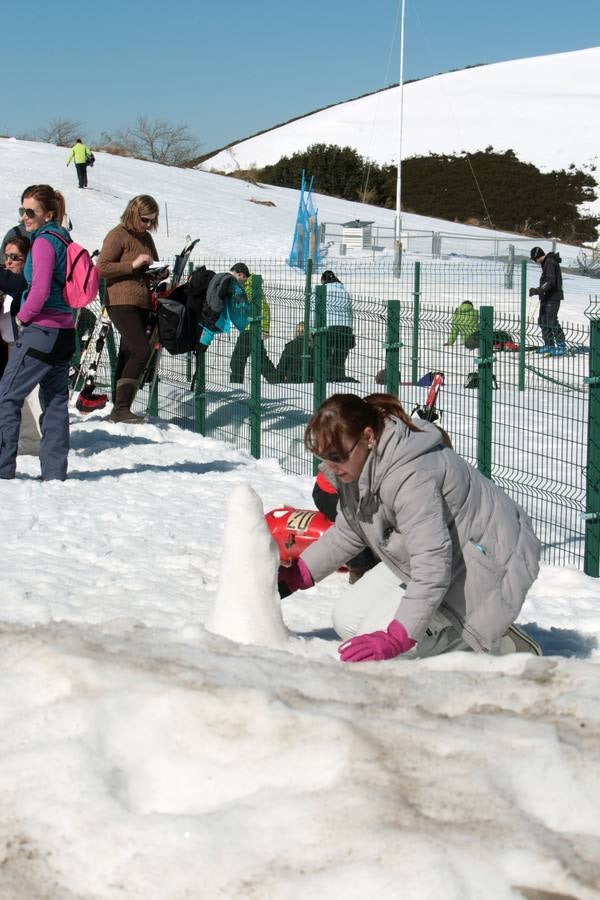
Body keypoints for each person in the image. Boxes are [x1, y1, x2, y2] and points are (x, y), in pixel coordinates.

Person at [278, 393, 542, 661]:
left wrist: (397, 638)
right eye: (324, 456)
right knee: (346, 620)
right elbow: (350, 530)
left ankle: (489, 639)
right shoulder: (360, 464)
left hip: (489, 560)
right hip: (447, 553)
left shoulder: (410, 476)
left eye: (336, 456)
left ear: (368, 437)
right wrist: (301, 572)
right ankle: (454, 629)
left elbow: (433, 566)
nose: (331, 467)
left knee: (389, 647)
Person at [0, 185, 76, 480]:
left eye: (31, 211)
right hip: (64, 330)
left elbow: (41, 289)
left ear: (48, 213)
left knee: (7, 395)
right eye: (22, 210)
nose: (25, 216)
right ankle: (55, 473)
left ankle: (3, 469)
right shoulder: (63, 238)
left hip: (41, 330)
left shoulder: (43, 242)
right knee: (56, 401)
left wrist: (23, 318)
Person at [97, 195, 161, 424]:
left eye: (151, 221)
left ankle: (120, 408)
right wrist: (132, 265)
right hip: (120, 300)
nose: (147, 225)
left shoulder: (146, 238)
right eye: (144, 219)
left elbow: (152, 264)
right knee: (141, 351)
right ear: (133, 213)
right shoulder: (118, 235)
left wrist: (158, 271)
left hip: (142, 301)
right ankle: (122, 408)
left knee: (127, 352)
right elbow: (102, 267)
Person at [0, 234, 42, 456]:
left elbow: (13, 284)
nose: (8, 262)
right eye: (6, 256)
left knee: (29, 395)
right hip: (9, 346)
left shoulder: (25, 280)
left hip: (26, 345)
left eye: (15, 257)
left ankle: (34, 444)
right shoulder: (7, 285)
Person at [229, 263, 278, 384]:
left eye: (234, 276)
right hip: (251, 328)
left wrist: (265, 329)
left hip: (251, 328)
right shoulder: (246, 286)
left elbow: (263, 308)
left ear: (241, 275)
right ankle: (278, 381)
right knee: (260, 360)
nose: (233, 279)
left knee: (237, 360)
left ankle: (236, 386)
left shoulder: (250, 287)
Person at [311, 271, 356, 381]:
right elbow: (350, 312)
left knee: (323, 355)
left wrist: (312, 329)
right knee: (339, 357)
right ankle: (338, 378)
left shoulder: (321, 291)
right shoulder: (344, 292)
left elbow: (313, 311)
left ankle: (323, 379)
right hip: (346, 328)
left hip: (328, 327)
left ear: (323, 280)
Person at [529, 246, 566, 356]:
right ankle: (549, 345)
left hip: (553, 297)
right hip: (546, 297)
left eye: (534, 259)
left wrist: (538, 290)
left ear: (537, 256)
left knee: (551, 321)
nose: (535, 262)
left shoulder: (549, 261)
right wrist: (540, 291)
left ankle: (561, 346)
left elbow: (550, 281)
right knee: (542, 320)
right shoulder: (545, 263)